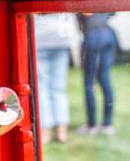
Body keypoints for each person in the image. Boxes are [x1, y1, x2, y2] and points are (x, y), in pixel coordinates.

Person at [33, 13, 75, 144]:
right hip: (61, 37)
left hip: (40, 38)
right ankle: (61, 131)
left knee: (42, 88)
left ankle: (45, 132)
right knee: (58, 88)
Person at [78, 12, 118, 135]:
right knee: (105, 79)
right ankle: (107, 124)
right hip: (108, 33)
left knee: (89, 84)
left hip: (92, 35)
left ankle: (92, 125)